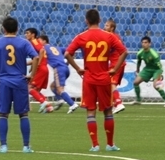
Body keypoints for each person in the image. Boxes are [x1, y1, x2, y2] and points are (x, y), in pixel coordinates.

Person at [64, 9, 128, 152]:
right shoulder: (109, 36)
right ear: (99, 20)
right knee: (108, 111)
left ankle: (95, 145)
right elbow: (124, 52)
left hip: (89, 79)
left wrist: (78, 68)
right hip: (104, 78)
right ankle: (110, 144)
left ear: (86, 21)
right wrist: (115, 69)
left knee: (90, 112)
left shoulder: (81, 36)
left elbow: (67, 53)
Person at [0, 16, 39, 153]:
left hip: (4, 83)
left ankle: (3, 146)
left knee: (3, 114)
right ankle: (26, 147)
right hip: (20, 82)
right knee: (23, 114)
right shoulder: (24, 43)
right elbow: (36, 57)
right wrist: (32, 75)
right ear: (17, 29)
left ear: (3, 28)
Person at [39, 34, 78, 114]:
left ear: (44, 41)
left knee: (60, 89)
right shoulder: (57, 48)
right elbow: (71, 51)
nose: (38, 43)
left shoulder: (43, 48)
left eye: (39, 41)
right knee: (53, 86)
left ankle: (72, 104)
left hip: (58, 69)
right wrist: (68, 62)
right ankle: (60, 100)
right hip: (65, 68)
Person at [133, 37, 165, 107]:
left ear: (149, 44)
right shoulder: (140, 53)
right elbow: (139, 62)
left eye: (145, 42)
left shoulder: (154, 54)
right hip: (147, 69)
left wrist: (159, 74)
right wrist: (137, 70)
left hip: (156, 69)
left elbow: (159, 66)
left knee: (156, 85)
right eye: (142, 42)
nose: (143, 44)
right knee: (136, 82)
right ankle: (138, 100)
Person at [24, 27, 51, 112]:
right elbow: (36, 57)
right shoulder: (34, 42)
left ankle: (43, 102)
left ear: (33, 35)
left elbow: (41, 51)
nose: (26, 35)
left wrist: (37, 65)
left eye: (27, 33)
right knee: (36, 90)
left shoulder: (34, 41)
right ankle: (49, 106)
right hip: (44, 68)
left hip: (41, 68)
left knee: (29, 88)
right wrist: (31, 65)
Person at [104, 19, 127, 114]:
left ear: (112, 28)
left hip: (115, 64)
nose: (104, 27)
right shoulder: (117, 36)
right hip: (121, 63)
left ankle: (118, 103)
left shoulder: (110, 36)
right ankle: (114, 104)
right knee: (110, 85)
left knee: (111, 84)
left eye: (107, 26)